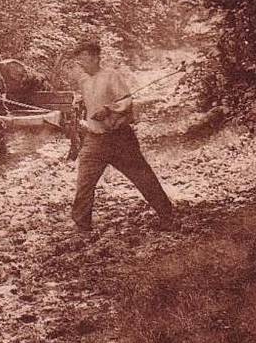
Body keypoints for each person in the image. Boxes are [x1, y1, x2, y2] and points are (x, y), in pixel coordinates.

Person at [68, 39, 180, 233]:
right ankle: (82, 226)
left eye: (84, 59)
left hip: (119, 139)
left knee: (142, 177)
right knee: (84, 182)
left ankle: (167, 215)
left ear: (96, 58)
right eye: (79, 60)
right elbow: (88, 100)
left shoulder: (112, 76)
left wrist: (109, 110)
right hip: (94, 139)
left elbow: (126, 101)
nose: (81, 64)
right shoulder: (84, 81)